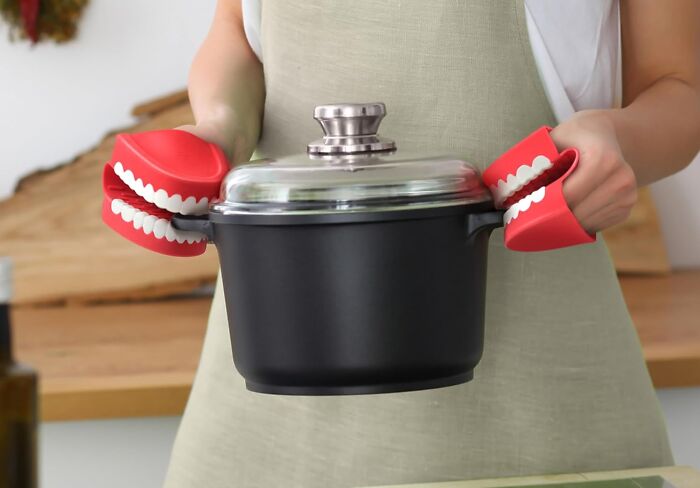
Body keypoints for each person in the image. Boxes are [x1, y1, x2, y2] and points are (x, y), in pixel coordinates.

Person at [164, 1, 700, 487]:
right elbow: (236, 30)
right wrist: (218, 129)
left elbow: (679, 87)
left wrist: (618, 142)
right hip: (270, 398)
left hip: (539, 402)